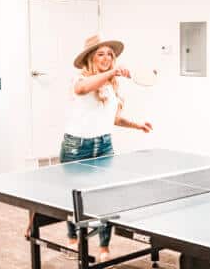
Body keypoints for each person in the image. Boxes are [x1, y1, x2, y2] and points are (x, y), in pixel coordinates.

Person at [62, 34, 152, 262]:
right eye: (100, 54)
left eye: (109, 54)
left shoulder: (111, 86)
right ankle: (73, 240)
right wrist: (111, 72)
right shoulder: (79, 79)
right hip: (77, 147)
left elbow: (112, 118)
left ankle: (103, 248)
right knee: (75, 198)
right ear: (91, 57)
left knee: (106, 198)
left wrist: (137, 125)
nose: (106, 58)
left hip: (103, 145)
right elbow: (83, 90)